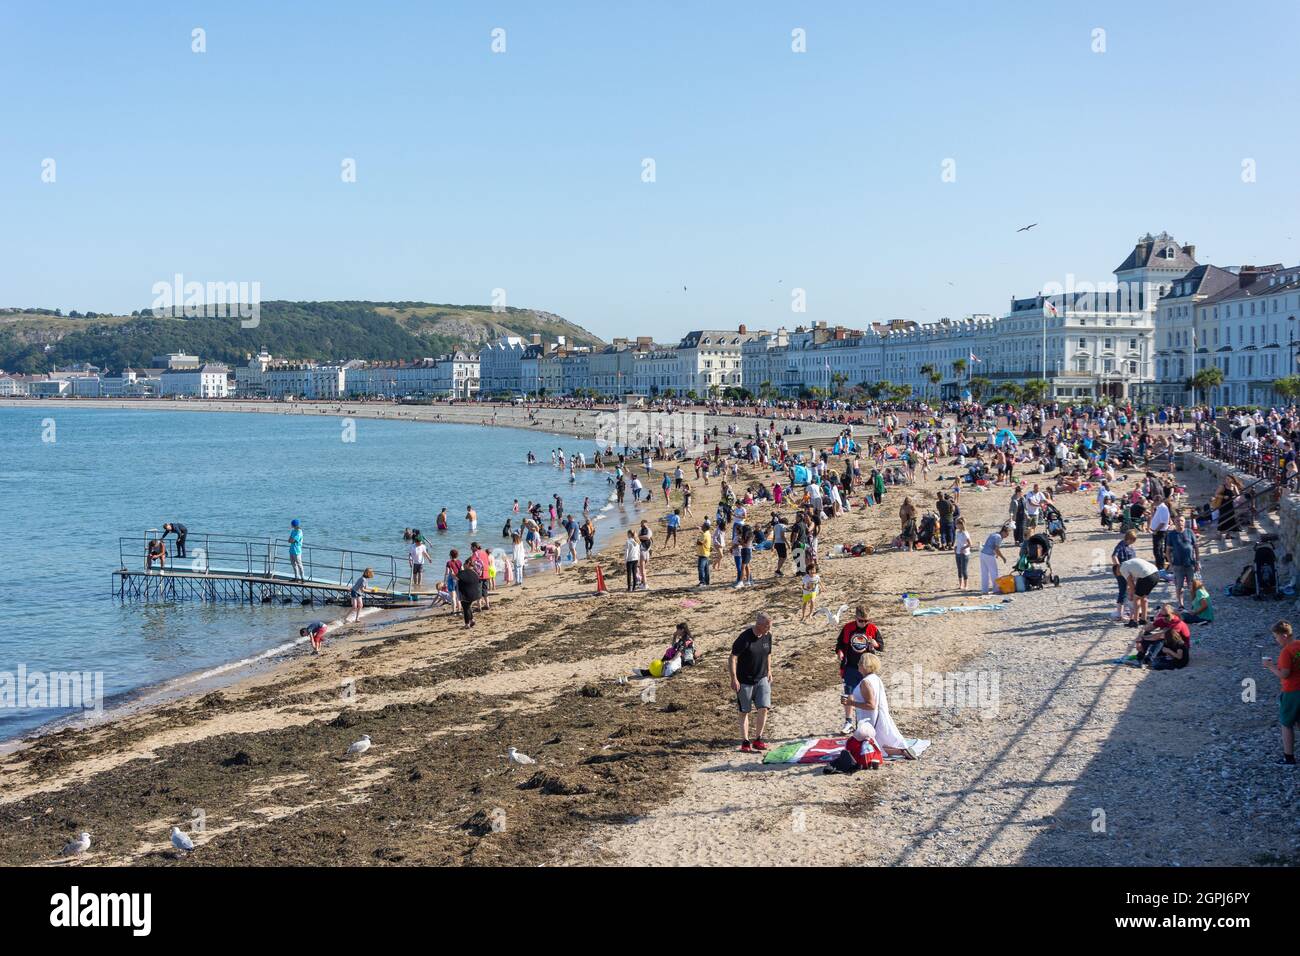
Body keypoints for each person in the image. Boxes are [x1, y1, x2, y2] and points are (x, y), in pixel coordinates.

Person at [842, 654, 919, 758]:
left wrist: (851, 703)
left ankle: (901, 751)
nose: (858, 665)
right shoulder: (875, 678)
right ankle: (902, 751)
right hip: (878, 716)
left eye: (860, 663)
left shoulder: (865, 682)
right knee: (878, 743)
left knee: (870, 746)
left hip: (870, 719)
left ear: (865, 665)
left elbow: (871, 705)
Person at [730, 612, 773, 753]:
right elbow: (732, 658)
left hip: (762, 678)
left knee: (764, 708)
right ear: (759, 625)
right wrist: (734, 678)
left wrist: (769, 671)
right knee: (744, 711)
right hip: (745, 681)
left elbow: (768, 654)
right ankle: (745, 741)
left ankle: (758, 739)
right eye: (767, 625)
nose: (769, 628)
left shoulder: (768, 636)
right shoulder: (745, 638)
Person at [836, 607, 883, 734]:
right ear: (855, 618)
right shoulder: (848, 628)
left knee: (867, 696)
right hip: (850, 666)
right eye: (861, 621)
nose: (863, 623)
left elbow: (881, 646)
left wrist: (875, 644)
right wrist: (840, 652)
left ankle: (868, 723)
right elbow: (839, 644)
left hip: (867, 668)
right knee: (849, 693)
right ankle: (848, 722)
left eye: (866, 621)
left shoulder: (872, 628)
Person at [1264, 621, 1300, 765]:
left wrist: (1270, 666)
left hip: (1292, 691)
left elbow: (1284, 674)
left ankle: (1288, 757)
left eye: (1276, 637)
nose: (1276, 640)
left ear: (1284, 636)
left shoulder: (1286, 651)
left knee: (1286, 724)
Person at [1165, 514, 1199, 609]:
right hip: (1177, 565)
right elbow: (1167, 551)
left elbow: (1196, 548)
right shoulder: (1171, 535)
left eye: (1181, 521)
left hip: (1190, 564)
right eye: (1177, 521)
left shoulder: (1190, 532)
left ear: (1185, 522)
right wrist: (1170, 564)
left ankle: (1194, 604)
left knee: (1192, 586)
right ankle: (1181, 605)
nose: (1180, 523)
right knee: (1179, 586)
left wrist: (1197, 561)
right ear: (1174, 523)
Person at [1120, 553, 1160, 626]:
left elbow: (1131, 584)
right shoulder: (1131, 562)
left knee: (1136, 598)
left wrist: (1131, 595)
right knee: (1143, 597)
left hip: (1146, 576)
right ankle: (1143, 619)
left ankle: (1135, 621)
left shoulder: (1122, 569)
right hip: (1156, 574)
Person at [1111, 530, 1137, 622]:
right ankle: (1119, 614)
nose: (1133, 542)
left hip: (1129, 572)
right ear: (1129, 538)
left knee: (1129, 591)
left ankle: (1126, 611)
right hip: (1122, 572)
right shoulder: (1121, 545)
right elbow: (1114, 556)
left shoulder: (1130, 546)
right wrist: (1119, 568)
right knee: (1123, 591)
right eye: (1133, 540)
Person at [979, 523, 1010, 595]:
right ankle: (996, 590)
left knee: (984, 573)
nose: (1006, 536)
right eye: (1007, 534)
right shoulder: (999, 537)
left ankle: (984, 590)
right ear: (1003, 532)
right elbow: (996, 549)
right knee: (994, 572)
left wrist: (996, 554)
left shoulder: (994, 534)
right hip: (989, 555)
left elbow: (990, 545)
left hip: (983, 554)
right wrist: (1003, 557)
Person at [456, 559, 482, 628]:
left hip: (466, 594)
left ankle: (467, 624)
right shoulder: (475, 572)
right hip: (475, 593)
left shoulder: (462, 573)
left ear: (467, 564)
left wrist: (451, 572)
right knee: (468, 607)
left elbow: (456, 577)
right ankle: (472, 620)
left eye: (464, 564)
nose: (463, 565)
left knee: (465, 608)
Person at [953, 516, 972, 591]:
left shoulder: (965, 533)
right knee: (959, 569)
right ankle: (960, 585)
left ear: (960, 524)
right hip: (957, 552)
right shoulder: (958, 533)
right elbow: (958, 542)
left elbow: (970, 543)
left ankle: (966, 585)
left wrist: (963, 548)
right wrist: (956, 547)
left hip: (964, 553)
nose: (956, 525)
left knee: (964, 569)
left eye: (957, 524)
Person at [695, 521, 712, 587]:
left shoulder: (704, 534)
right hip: (706, 552)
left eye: (703, 526)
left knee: (701, 568)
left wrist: (697, 539)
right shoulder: (708, 533)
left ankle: (702, 582)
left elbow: (699, 542)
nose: (701, 526)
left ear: (705, 527)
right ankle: (707, 581)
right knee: (706, 568)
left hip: (703, 553)